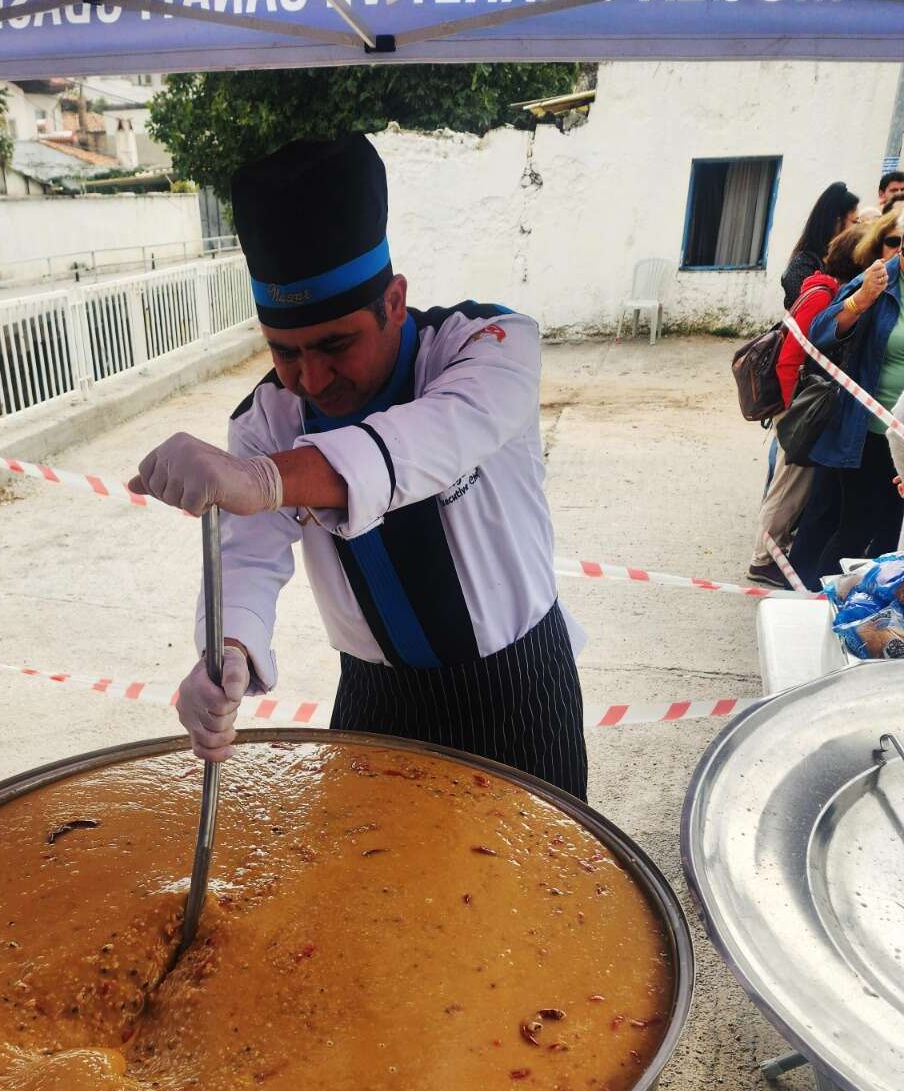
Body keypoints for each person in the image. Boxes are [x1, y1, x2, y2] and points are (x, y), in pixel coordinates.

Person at [129, 134, 588, 799]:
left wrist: (269, 481)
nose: (311, 378)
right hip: (377, 698)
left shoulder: (488, 347)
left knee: (546, 891)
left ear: (394, 302)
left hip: (515, 682)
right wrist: (225, 652)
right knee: (368, 893)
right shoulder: (267, 417)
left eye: (335, 344)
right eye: (284, 351)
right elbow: (247, 556)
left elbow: (432, 441)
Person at [748, 226, 863, 587]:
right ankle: (764, 558)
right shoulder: (822, 294)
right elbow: (790, 355)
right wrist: (788, 410)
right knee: (787, 486)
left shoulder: (822, 289)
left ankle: (773, 550)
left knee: (792, 484)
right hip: (799, 408)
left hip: (800, 406)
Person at [806, 204, 904, 571]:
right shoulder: (880, 280)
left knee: (893, 537)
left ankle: (875, 621)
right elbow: (821, 331)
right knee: (856, 531)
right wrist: (859, 301)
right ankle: (822, 609)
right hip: (870, 434)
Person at [780, 182, 859, 309]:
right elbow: (812, 314)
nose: (858, 228)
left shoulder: (852, 261)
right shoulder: (803, 265)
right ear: (837, 222)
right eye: (855, 222)